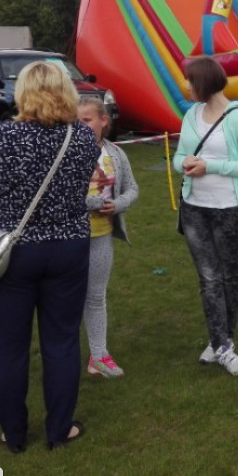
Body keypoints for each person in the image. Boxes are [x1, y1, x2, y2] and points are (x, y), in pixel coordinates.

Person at [0, 61, 100, 451]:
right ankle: (60, 429)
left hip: (11, 251)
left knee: (9, 347)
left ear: (23, 93)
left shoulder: (4, 135)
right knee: (61, 341)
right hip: (68, 247)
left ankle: (14, 431)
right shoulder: (83, 138)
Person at [174, 57, 238, 376]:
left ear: (205, 82)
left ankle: (223, 339)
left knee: (229, 274)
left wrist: (210, 166)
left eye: (189, 80)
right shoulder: (190, 114)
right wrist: (184, 164)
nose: (184, 85)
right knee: (209, 278)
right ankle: (222, 346)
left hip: (231, 210)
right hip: (195, 208)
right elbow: (178, 156)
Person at [77, 96, 140, 378]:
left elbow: (132, 189)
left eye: (86, 120)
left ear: (104, 121)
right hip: (69, 237)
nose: (81, 126)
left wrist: (120, 204)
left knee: (96, 296)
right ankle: (62, 357)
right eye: (75, 121)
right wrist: (90, 203)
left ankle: (99, 356)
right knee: (66, 298)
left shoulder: (115, 153)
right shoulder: (66, 152)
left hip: (101, 236)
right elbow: (58, 195)